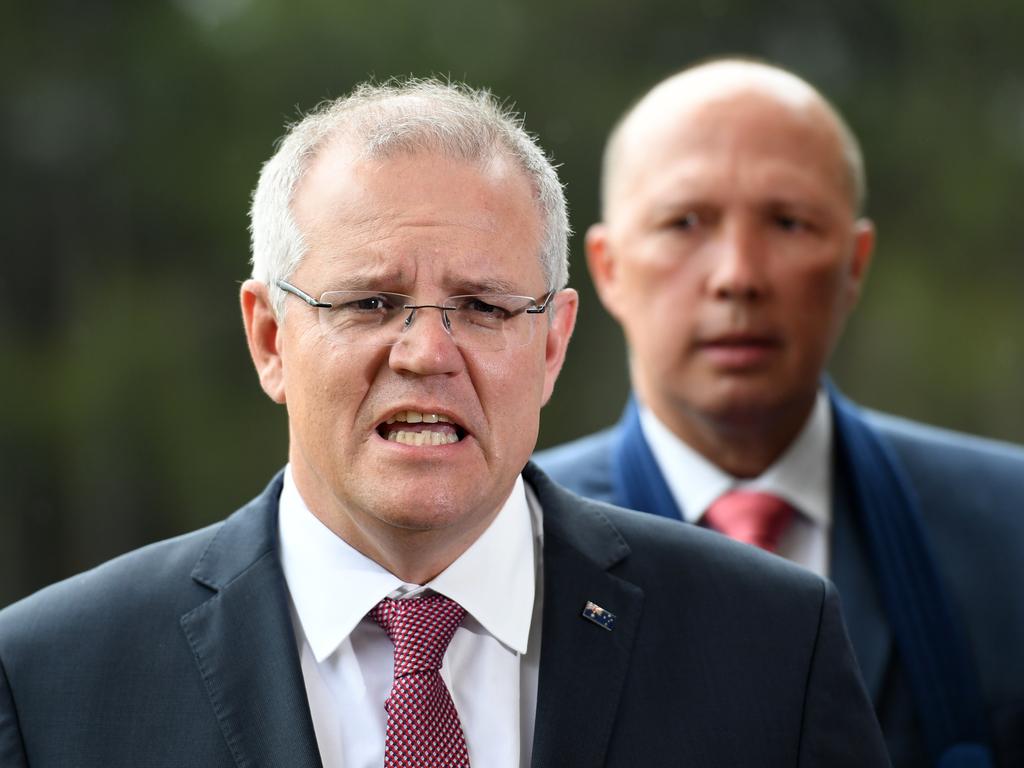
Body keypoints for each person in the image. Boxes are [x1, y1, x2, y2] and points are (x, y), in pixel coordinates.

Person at [0, 78, 889, 767]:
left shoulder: (772, 646)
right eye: (371, 301)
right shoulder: (53, 680)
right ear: (270, 337)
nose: (426, 352)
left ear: (552, 345)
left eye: (485, 306)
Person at [534, 59, 1024, 768]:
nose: (739, 274)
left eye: (789, 222)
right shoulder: (512, 547)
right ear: (607, 268)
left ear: (855, 263)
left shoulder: (1008, 530)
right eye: (685, 222)